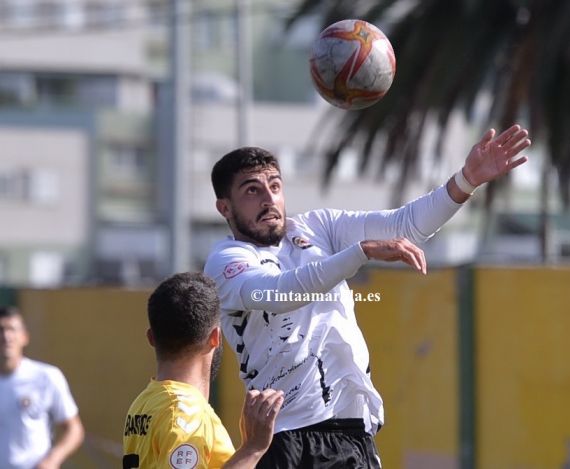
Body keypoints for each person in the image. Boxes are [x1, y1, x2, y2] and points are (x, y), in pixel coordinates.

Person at [204, 124, 531, 467]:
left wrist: (467, 179)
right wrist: (361, 252)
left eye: (274, 186)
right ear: (225, 208)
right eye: (252, 191)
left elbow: (404, 226)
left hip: (353, 432)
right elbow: (280, 293)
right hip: (289, 436)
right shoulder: (226, 261)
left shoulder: (317, 228)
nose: (269, 199)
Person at [122, 272, 284, 468]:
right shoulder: (184, 413)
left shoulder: (144, 402)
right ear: (215, 337)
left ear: (151, 338)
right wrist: (252, 449)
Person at [0, 306, 84, 469]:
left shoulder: (45, 377)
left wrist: (52, 460)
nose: (6, 336)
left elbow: (74, 429)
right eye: (1, 330)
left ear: (24, 337)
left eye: (12, 329)